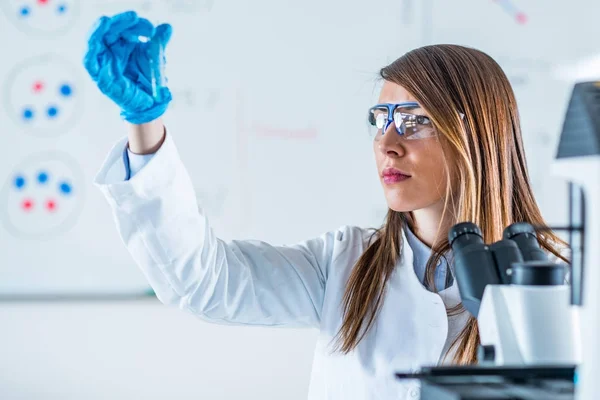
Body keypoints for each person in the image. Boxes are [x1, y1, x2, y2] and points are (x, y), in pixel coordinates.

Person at [84, 11, 567, 400]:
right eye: (381, 119)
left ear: (476, 134)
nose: (387, 143)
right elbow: (203, 281)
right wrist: (144, 126)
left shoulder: (558, 276)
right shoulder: (344, 264)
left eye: (414, 120)